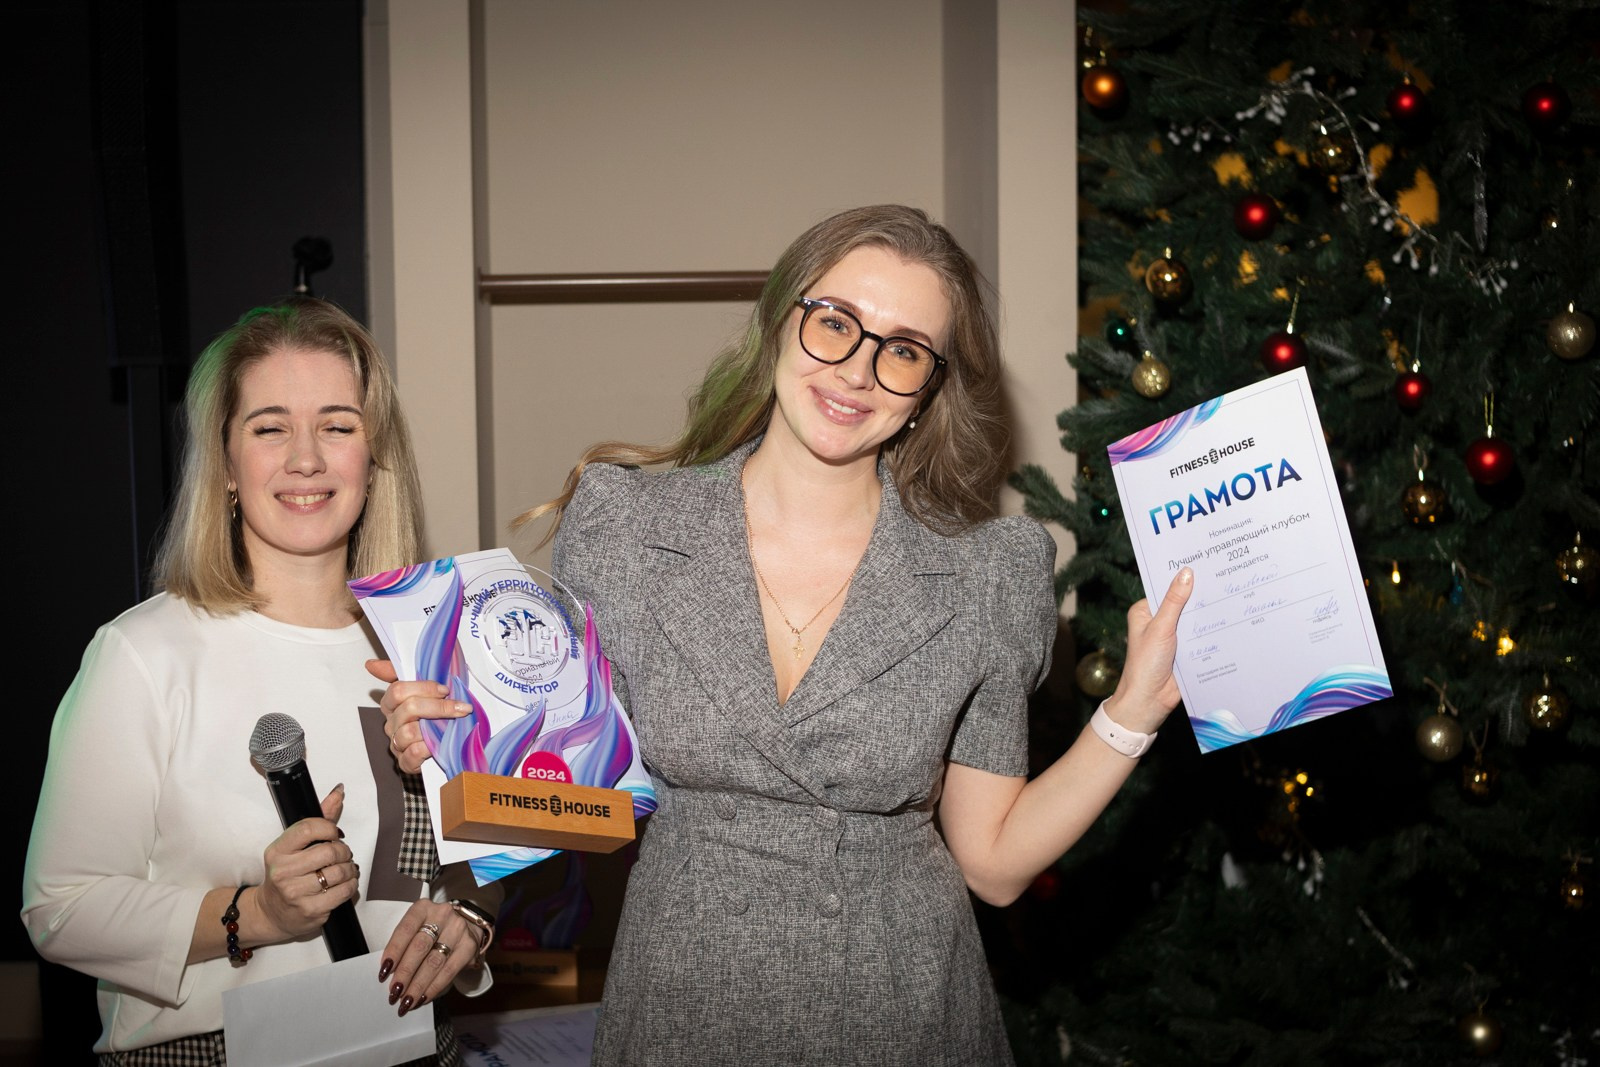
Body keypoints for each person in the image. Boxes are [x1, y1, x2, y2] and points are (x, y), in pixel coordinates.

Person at [379, 205, 1193, 1065]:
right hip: (682, 1006)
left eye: (904, 350)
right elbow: (569, 788)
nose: (858, 371)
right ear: (779, 322)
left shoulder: (988, 572)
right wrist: (453, 740)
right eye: (835, 323)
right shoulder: (627, 526)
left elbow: (993, 862)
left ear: (930, 388)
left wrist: (1131, 712)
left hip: (904, 1013)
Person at [22, 298, 496, 1065]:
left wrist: (470, 917)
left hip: (413, 1048)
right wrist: (261, 913)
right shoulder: (144, 654)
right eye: (270, 427)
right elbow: (60, 909)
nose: (306, 458)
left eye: (338, 425)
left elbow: (486, 858)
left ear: (374, 459)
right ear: (226, 466)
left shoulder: (432, 646)